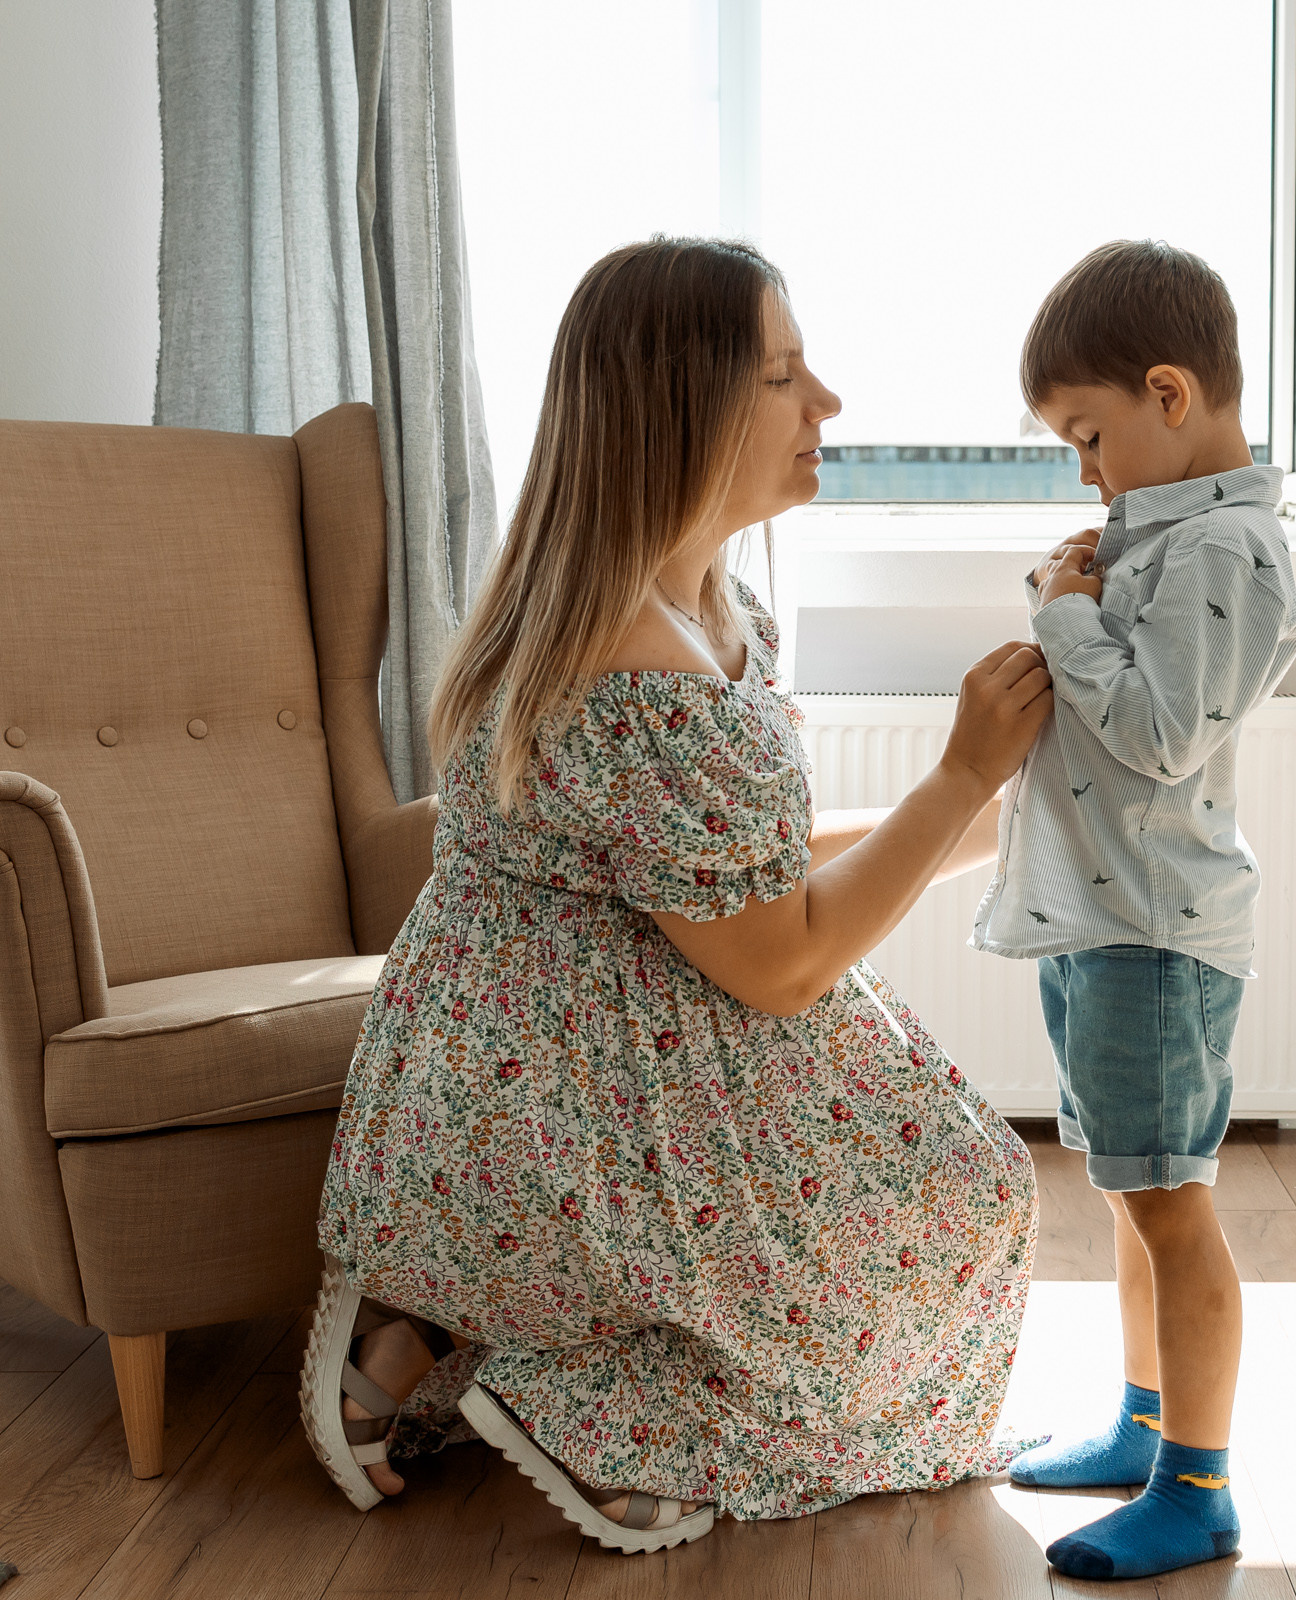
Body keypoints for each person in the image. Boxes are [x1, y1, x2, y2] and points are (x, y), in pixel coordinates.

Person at [300, 236, 1053, 1552]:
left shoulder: (696, 603)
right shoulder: (638, 666)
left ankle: (427, 1331)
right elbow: (776, 962)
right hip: (568, 1100)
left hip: (550, 1056)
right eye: (783, 373)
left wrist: (1009, 818)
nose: (826, 403)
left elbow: (731, 862)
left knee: (959, 1186)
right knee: (958, 1203)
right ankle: (568, 1405)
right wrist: (956, 777)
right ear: (681, 406)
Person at [976, 239, 1296, 1581]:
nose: (1086, 468)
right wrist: (1076, 590)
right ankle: (1144, 1423)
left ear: (1171, 393)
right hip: (1108, 921)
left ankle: (1200, 1487)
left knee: (1170, 1205)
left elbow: (1159, 734)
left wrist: (1062, 616)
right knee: (1129, 1196)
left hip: (1156, 937)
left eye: (1090, 435)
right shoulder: (1164, 534)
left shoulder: (1226, 547)